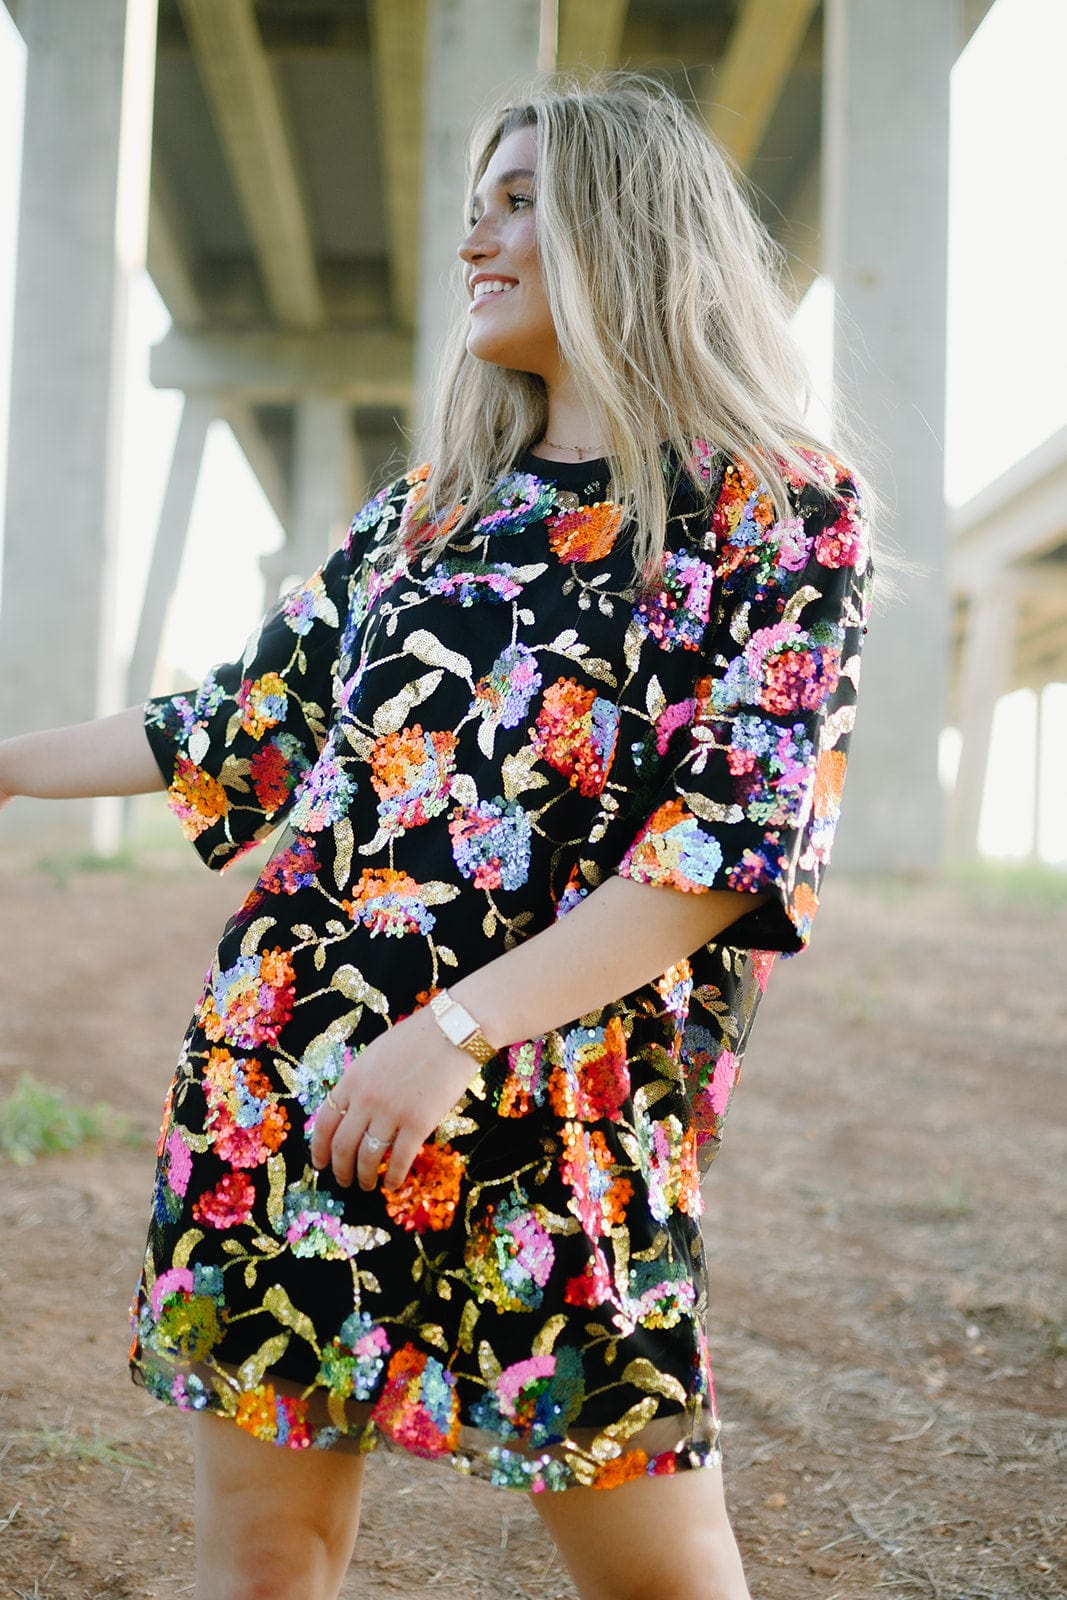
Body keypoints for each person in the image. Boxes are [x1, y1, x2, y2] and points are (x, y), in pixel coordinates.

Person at [0, 75, 872, 1600]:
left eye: (523, 199)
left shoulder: (777, 513)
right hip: (289, 1084)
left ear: (630, 228)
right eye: (476, 202)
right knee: (268, 1563)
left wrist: (455, 1034)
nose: (480, 232)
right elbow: (240, 724)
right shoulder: (423, 514)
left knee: (665, 1579)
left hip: (556, 1123)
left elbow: (725, 847)